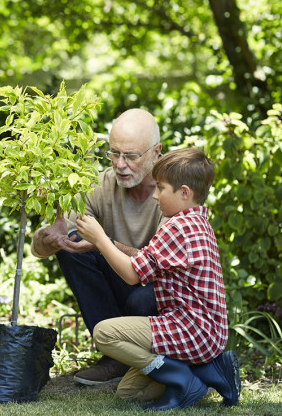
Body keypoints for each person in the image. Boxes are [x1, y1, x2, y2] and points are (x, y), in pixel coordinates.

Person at [76, 147, 240, 410]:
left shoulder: (177, 227)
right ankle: (208, 371)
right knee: (129, 392)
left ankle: (181, 378)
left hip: (191, 329)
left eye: (161, 188)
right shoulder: (197, 222)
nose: (154, 195)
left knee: (104, 333)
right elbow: (148, 259)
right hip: (207, 333)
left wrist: (100, 239)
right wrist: (105, 244)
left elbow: (131, 274)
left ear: (184, 192)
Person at [31, 108, 163, 385]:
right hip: (123, 283)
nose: (120, 164)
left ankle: (149, 360)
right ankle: (115, 357)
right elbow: (43, 248)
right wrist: (48, 239)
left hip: (162, 295)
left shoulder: (174, 191)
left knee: (142, 296)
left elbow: (163, 266)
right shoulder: (102, 185)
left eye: (131, 156)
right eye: (114, 153)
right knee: (74, 246)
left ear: (156, 152)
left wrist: (105, 244)